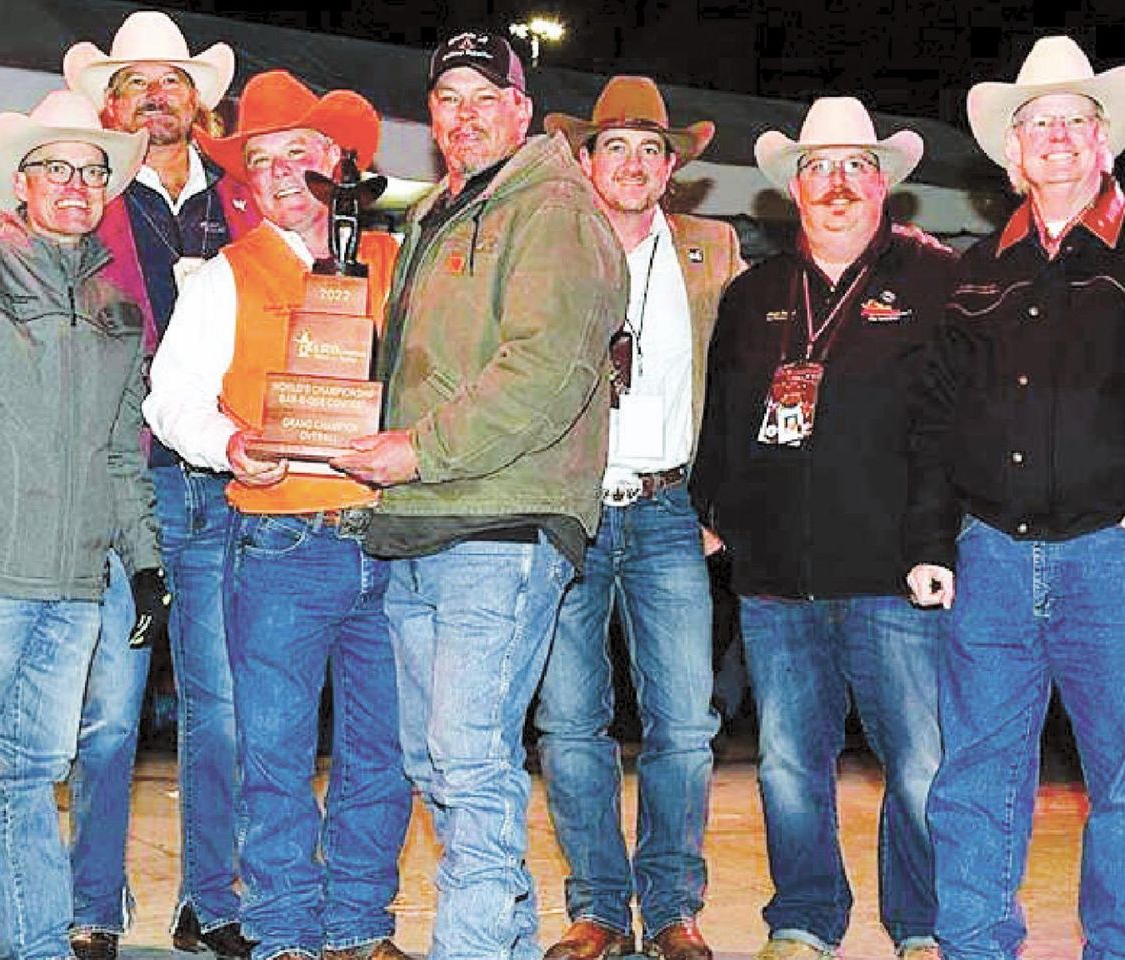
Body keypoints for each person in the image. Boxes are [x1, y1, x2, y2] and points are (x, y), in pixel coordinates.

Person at [331, 30, 627, 960]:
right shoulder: (441, 215)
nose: (462, 116)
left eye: (482, 97)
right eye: (447, 99)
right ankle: (499, 935)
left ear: (521, 110)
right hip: (421, 521)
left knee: (466, 757)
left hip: (499, 522)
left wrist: (415, 451)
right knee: (441, 761)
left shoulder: (553, 212)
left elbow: (542, 372)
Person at [144, 69, 411, 960]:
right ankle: (285, 931)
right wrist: (230, 444)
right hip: (281, 537)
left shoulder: (396, 265)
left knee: (385, 753)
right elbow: (170, 398)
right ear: (245, 182)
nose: (284, 171)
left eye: (301, 151)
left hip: (391, 538)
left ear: (340, 161)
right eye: (262, 159)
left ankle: (360, 926)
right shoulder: (225, 274)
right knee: (275, 756)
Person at [690, 97, 954, 960]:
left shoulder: (936, 280)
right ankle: (803, 921)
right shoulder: (754, 292)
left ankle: (922, 925)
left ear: (884, 184)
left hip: (894, 576)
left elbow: (953, 428)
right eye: (818, 168)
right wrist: (713, 511)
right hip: (777, 580)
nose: (836, 184)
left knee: (919, 766)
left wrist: (934, 544)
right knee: (787, 768)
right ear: (792, 187)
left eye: (855, 166)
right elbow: (724, 419)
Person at [906, 35, 1125, 960]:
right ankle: (975, 946)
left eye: (1078, 121)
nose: (1059, 137)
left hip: (1111, 554)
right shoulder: (974, 274)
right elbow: (934, 419)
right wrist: (928, 540)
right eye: (1040, 124)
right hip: (989, 554)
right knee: (976, 776)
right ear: (1013, 152)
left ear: (1105, 142)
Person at [62, 12, 261, 958]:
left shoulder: (249, 204)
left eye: (171, 80)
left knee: (222, 710)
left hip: (228, 487)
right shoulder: (83, 203)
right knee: (108, 713)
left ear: (198, 101)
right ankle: (94, 903)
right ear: (111, 103)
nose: (154, 95)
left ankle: (209, 901)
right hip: (123, 486)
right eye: (135, 81)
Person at [535, 76, 742, 960]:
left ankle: (672, 911)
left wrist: (722, 506)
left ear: (672, 168)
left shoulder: (712, 248)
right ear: (585, 162)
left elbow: (742, 382)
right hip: (572, 511)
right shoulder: (547, 247)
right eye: (614, 146)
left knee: (685, 725)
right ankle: (597, 911)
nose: (632, 163)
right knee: (569, 722)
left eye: (650, 149)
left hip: (668, 511)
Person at [0, 89, 157, 960]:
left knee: (28, 775)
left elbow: (121, 455)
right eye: (57, 167)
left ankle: (35, 947)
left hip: (75, 588)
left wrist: (149, 565)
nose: (78, 183)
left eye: (93, 171)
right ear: (21, 183)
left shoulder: (117, 309)